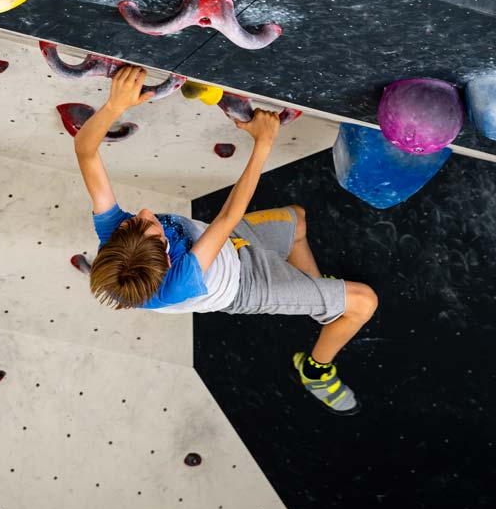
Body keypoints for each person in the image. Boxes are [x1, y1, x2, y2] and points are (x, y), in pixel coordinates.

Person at [74, 66, 378, 416]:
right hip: (247, 285)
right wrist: (263, 141)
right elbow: (228, 215)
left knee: (297, 221)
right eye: (153, 226)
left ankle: (317, 302)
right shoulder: (180, 280)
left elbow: (85, 151)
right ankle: (316, 372)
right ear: (170, 260)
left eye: (136, 222)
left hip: (226, 244)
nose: (143, 212)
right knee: (362, 302)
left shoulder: (115, 234)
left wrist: (114, 105)